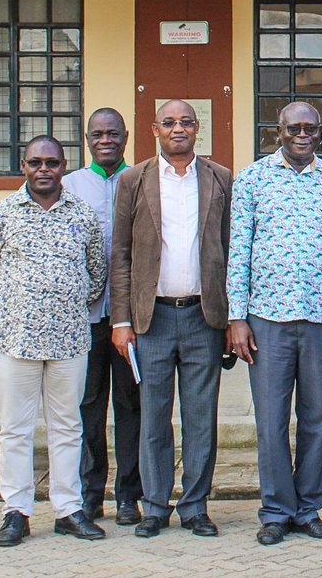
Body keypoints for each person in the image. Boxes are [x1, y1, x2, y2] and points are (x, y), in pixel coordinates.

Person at [227, 102, 322, 545]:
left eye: (311, 128)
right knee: (270, 419)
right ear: (278, 132)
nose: (303, 134)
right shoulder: (252, 178)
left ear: (320, 134)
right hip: (267, 317)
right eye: (294, 128)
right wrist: (237, 317)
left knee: (318, 416)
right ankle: (274, 511)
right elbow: (238, 253)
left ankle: (308, 509)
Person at [0, 135, 108, 546]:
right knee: (16, 429)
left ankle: (68, 509)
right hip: (16, 339)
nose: (43, 169)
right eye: (35, 162)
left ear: (64, 166)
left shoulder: (82, 215)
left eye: (52, 162)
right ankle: (16, 511)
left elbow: (95, 275)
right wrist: (15, 305)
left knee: (68, 426)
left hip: (69, 339)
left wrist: (60, 303)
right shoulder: (1, 214)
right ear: (23, 165)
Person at [110, 99, 232, 539]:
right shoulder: (133, 180)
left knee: (202, 418)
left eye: (185, 122)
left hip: (204, 316)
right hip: (152, 319)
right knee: (153, 418)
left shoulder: (219, 178)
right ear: (154, 129)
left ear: (198, 128)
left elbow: (230, 249)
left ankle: (196, 506)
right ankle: (156, 506)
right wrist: (121, 321)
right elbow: (120, 254)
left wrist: (232, 317)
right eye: (169, 122)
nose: (177, 128)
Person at [63, 108, 143, 527]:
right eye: (98, 134)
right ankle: (90, 496)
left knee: (132, 408)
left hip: (131, 318)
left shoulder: (142, 180)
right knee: (89, 408)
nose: (106, 139)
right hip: (86, 320)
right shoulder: (69, 186)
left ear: (126, 136)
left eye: (113, 133)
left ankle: (130, 495)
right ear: (88, 139)